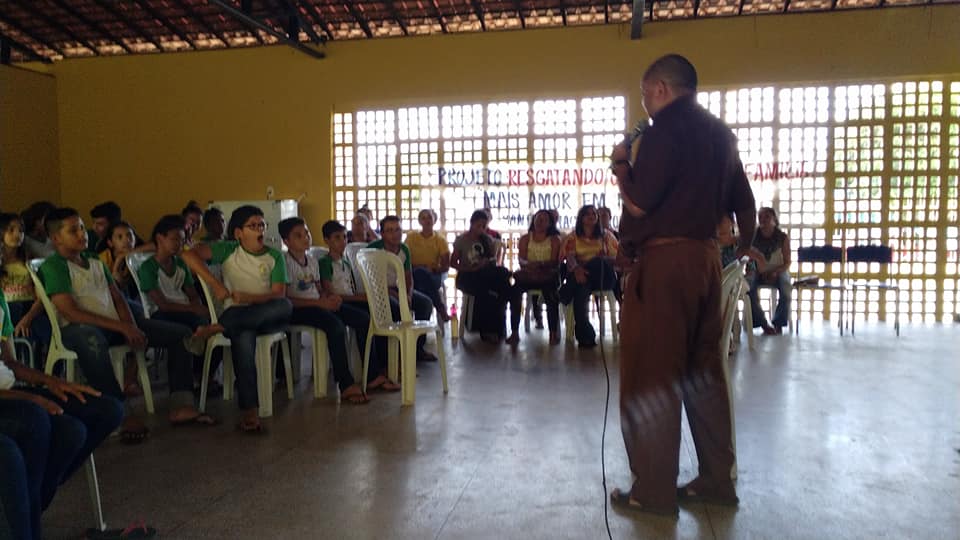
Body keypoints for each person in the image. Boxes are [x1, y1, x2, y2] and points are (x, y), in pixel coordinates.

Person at [609, 54, 756, 515]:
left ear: (659, 89)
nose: (644, 103)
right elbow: (746, 210)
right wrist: (737, 255)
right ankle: (716, 481)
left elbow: (639, 203)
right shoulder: (720, 135)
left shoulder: (660, 133)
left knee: (653, 377)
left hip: (665, 265)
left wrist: (620, 166)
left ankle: (651, 492)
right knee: (704, 375)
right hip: (707, 263)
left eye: (643, 93)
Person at [40, 207, 213, 442]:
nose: (82, 234)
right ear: (55, 238)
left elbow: (118, 298)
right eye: (73, 230)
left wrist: (131, 325)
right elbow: (71, 312)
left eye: (82, 227)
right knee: (92, 340)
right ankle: (117, 412)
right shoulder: (55, 266)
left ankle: (181, 404)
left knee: (180, 334)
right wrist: (121, 328)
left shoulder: (94, 261)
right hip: (76, 328)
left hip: (113, 324)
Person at [1, 286, 124, 540]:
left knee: (105, 410)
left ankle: (29, 505)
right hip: (11, 399)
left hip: (10, 388)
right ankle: (26, 521)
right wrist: (30, 397)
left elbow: (9, 362)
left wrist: (51, 382)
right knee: (35, 420)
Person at [182, 205, 292, 433]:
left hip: (267, 314)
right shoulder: (229, 250)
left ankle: (216, 328)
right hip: (238, 315)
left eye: (262, 225)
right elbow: (187, 254)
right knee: (243, 337)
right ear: (238, 233)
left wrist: (249, 297)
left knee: (284, 305)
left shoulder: (274, 256)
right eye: (253, 226)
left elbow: (277, 293)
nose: (259, 229)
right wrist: (216, 284)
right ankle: (249, 411)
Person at [278, 217, 371, 404]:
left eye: (306, 233)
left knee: (362, 318)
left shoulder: (312, 261)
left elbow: (318, 288)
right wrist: (320, 304)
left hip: (318, 305)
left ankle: (372, 373)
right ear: (286, 241)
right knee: (335, 326)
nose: (305, 238)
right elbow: (286, 300)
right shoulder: (284, 262)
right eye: (298, 235)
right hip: (298, 310)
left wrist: (329, 298)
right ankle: (345, 383)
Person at [317, 220, 399, 394]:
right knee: (365, 320)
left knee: (380, 313)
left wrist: (361, 297)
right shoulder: (325, 262)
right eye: (337, 238)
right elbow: (331, 293)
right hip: (338, 304)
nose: (343, 241)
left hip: (350, 300)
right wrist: (357, 298)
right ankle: (371, 375)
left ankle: (383, 365)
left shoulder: (346, 261)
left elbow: (352, 287)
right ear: (326, 240)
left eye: (345, 237)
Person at [367, 216, 437, 361]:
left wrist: (408, 294)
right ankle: (395, 357)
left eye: (398, 229)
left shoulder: (404, 249)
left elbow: (408, 277)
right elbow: (371, 281)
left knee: (425, 303)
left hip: (398, 289)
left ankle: (417, 349)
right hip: (379, 292)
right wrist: (394, 294)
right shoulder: (373, 249)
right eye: (390, 230)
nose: (395, 234)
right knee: (396, 308)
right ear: (383, 233)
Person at [451, 210, 522, 345]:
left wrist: (486, 263)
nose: (482, 229)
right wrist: (471, 268)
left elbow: (492, 261)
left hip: (485, 274)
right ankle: (486, 329)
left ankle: (500, 329)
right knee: (489, 291)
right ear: (472, 223)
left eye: (484, 226)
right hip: (467, 276)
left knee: (499, 290)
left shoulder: (487, 239)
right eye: (479, 226)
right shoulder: (462, 240)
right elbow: (453, 263)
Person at [558, 204, 620, 348]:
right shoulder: (573, 237)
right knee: (581, 290)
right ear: (581, 218)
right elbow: (569, 258)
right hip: (583, 279)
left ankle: (564, 292)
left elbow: (616, 258)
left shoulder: (606, 236)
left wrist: (599, 260)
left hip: (605, 277)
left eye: (594, 214)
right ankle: (586, 338)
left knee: (597, 261)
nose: (592, 216)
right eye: (587, 214)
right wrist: (577, 269)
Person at [0, 213, 51, 356]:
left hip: (30, 309)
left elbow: (41, 297)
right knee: (14, 308)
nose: (18, 234)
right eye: (11, 230)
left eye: (21, 230)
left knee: (46, 328)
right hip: (7, 310)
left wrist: (27, 319)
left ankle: (50, 371)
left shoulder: (30, 261)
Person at [514, 210, 562, 344]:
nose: (540, 221)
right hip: (529, 274)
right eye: (538, 218)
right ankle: (514, 332)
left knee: (551, 297)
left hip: (547, 275)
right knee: (514, 293)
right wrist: (530, 266)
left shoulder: (554, 239)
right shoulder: (525, 238)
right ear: (533, 220)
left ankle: (553, 333)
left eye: (545, 219)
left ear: (550, 224)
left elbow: (554, 262)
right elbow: (522, 260)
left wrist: (540, 264)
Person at [748, 207, 792, 335]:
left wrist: (776, 272)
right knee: (748, 288)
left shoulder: (782, 237)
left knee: (786, 288)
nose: (763, 220)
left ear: (774, 219)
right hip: (758, 271)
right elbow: (750, 259)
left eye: (766, 216)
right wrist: (756, 271)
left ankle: (778, 323)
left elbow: (787, 262)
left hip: (778, 271)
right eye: (760, 217)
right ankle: (762, 323)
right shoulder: (753, 236)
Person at [404, 209, 450, 322]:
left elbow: (445, 266)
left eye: (429, 217)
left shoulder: (440, 240)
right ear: (419, 221)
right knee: (419, 273)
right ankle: (440, 307)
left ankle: (420, 324)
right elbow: (403, 257)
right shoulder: (411, 237)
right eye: (423, 218)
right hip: (413, 273)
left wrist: (434, 268)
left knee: (422, 282)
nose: (427, 220)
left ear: (434, 220)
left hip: (433, 274)